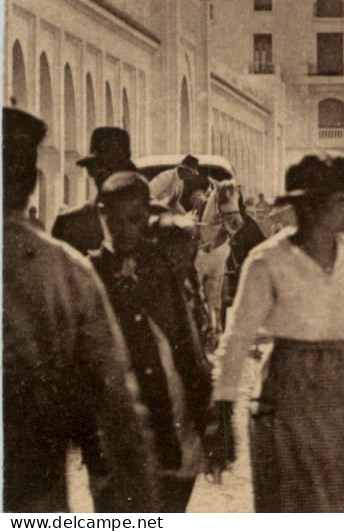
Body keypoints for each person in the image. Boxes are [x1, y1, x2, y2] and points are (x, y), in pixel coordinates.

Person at [209, 156, 344, 512]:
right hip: (289, 396)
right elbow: (236, 339)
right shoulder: (267, 261)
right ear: (312, 206)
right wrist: (223, 416)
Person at [3, 107, 158, 513]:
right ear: (32, 181)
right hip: (33, 478)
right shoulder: (65, 265)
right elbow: (116, 398)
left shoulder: (66, 259)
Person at [89, 173, 217, 511]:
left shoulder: (164, 267)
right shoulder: (89, 273)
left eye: (132, 219)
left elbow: (187, 344)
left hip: (171, 422)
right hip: (115, 429)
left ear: (146, 216)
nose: (122, 229)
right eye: (112, 220)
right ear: (101, 215)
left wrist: (209, 421)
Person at [51, 125, 140, 254]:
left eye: (113, 167)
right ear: (91, 171)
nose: (106, 175)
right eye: (100, 167)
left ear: (126, 171)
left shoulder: (150, 219)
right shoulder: (68, 223)